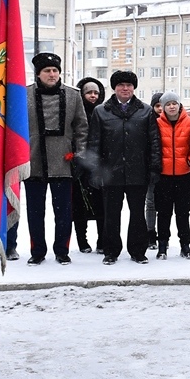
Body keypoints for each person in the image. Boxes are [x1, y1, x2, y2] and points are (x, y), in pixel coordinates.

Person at [85, 70, 161, 265]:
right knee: (111, 213)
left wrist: (154, 168)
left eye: (128, 85)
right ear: (114, 88)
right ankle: (111, 251)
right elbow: (94, 143)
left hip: (138, 171)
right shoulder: (101, 111)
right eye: (121, 85)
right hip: (111, 172)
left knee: (137, 213)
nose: (125, 88)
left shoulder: (145, 111)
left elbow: (154, 142)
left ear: (134, 88)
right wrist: (95, 170)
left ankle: (138, 251)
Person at [21, 53, 88, 266]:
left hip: (63, 161)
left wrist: (79, 154)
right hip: (34, 161)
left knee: (63, 211)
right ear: (38, 74)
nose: (52, 74)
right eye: (47, 71)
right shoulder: (23, 95)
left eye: (55, 70)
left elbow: (81, 128)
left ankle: (62, 251)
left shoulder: (73, 95)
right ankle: (37, 251)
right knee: (35, 212)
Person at [154, 91, 190, 259]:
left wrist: (189, 161)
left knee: (183, 212)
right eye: (168, 104)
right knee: (163, 212)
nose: (172, 106)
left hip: (184, 175)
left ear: (179, 105)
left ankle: (185, 245)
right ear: (163, 107)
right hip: (163, 176)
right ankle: (162, 245)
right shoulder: (156, 124)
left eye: (174, 103)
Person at [73, 78, 105, 253]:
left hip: (99, 166)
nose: (93, 96)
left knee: (102, 206)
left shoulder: (104, 112)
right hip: (80, 165)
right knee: (80, 206)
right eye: (89, 92)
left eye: (96, 93)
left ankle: (102, 240)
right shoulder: (76, 111)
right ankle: (82, 241)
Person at [145, 92, 165, 251]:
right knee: (150, 203)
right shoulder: (147, 121)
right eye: (157, 106)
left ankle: (164, 235)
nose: (160, 109)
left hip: (169, 169)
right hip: (151, 168)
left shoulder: (173, 122)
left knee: (164, 205)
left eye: (162, 105)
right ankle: (150, 233)